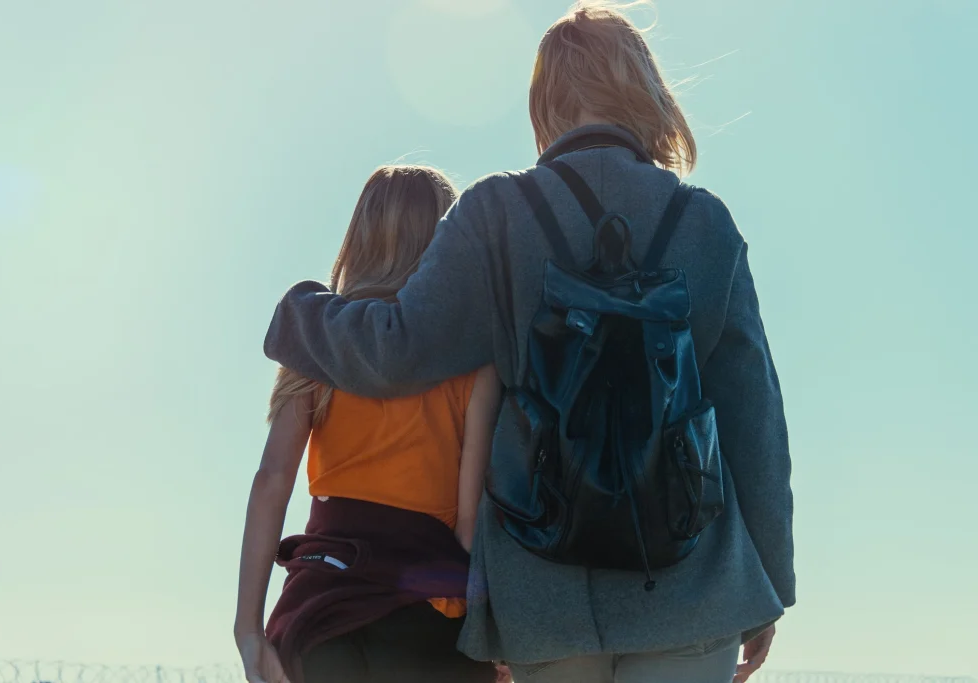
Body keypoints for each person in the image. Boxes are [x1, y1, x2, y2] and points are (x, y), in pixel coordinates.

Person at [262, 3, 795, 683]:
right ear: (646, 91)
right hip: (693, 586)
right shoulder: (707, 222)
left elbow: (397, 351)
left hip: (546, 592)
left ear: (546, 100)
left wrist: (299, 314)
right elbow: (756, 427)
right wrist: (769, 586)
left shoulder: (496, 212)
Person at [233, 165, 502, 683]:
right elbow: (471, 524)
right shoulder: (473, 360)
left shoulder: (318, 341)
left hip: (322, 612)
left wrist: (248, 630)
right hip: (427, 621)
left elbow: (272, 482)